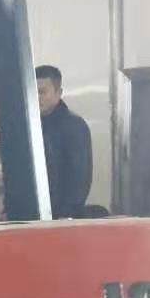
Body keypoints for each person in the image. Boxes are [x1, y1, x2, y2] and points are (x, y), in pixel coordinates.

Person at [36, 64, 93, 219]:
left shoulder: (74, 126)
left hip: (62, 216)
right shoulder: (29, 126)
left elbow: (79, 176)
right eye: (33, 92)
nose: (37, 97)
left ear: (58, 93)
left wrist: (67, 214)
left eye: (42, 92)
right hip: (32, 214)